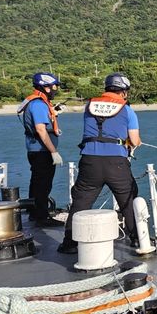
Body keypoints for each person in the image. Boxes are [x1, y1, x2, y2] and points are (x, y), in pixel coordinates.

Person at [58, 73, 141, 253]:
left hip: (89, 161)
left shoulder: (89, 106)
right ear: (124, 92)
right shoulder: (127, 110)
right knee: (127, 200)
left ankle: (69, 243)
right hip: (116, 162)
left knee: (81, 202)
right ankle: (136, 239)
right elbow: (134, 140)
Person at [17, 72, 64, 226]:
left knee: (36, 182)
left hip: (36, 149)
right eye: (53, 86)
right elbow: (41, 130)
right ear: (46, 87)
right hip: (41, 151)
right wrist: (53, 152)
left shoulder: (38, 102)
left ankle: (34, 211)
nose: (55, 89)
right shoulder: (38, 104)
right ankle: (42, 217)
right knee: (43, 184)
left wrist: (54, 112)